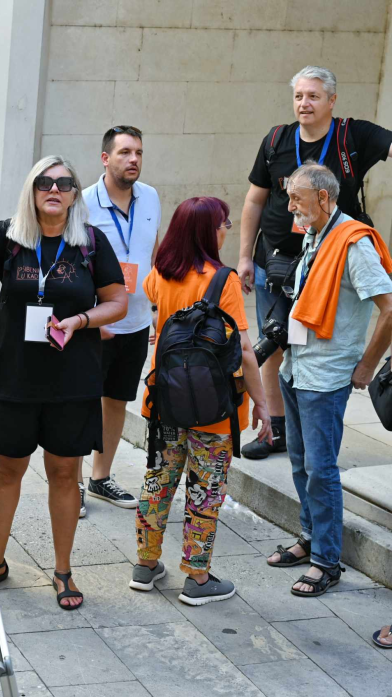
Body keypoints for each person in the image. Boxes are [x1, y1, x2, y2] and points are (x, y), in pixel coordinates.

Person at [0, 157, 128, 610]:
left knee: (65, 473)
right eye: (44, 182)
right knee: (8, 469)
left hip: (73, 379)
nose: (54, 189)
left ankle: (63, 570)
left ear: (74, 194)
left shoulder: (90, 242)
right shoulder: (10, 236)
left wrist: (81, 320)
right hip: (16, 377)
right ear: (32, 189)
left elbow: (119, 302)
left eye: (64, 183)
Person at [237, 65, 392, 460]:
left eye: (313, 96)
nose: (304, 103)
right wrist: (242, 256)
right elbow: (255, 199)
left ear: (332, 101)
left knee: (313, 346)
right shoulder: (276, 140)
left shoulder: (352, 136)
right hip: (273, 258)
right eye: (299, 96)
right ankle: (276, 430)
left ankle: (312, 432)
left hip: (329, 261)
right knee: (273, 343)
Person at [131, 197, 271, 607]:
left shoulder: (160, 273)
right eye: (224, 222)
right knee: (205, 490)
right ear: (209, 231)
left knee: (158, 481)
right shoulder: (223, 280)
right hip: (213, 409)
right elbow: (244, 348)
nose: (227, 228)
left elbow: (159, 323)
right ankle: (197, 577)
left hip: (165, 403)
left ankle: (145, 565)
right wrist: (261, 402)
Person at [264, 164, 392, 597]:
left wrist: (366, 366)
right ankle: (309, 539)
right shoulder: (315, 233)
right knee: (301, 464)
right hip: (296, 368)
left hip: (327, 375)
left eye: (296, 198)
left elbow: (389, 308)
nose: (290, 206)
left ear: (323, 197)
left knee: (322, 470)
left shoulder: (353, 241)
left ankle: (327, 561)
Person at [82, 125, 161, 516]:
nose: (134, 160)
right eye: (125, 152)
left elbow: (153, 253)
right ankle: (73, 482)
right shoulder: (82, 203)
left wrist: (158, 310)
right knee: (80, 399)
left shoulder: (151, 198)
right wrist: (94, 318)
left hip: (137, 321)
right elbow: (73, 265)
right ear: (105, 158)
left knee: (116, 400)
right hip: (96, 321)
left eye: (139, 153)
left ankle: (100, 476)